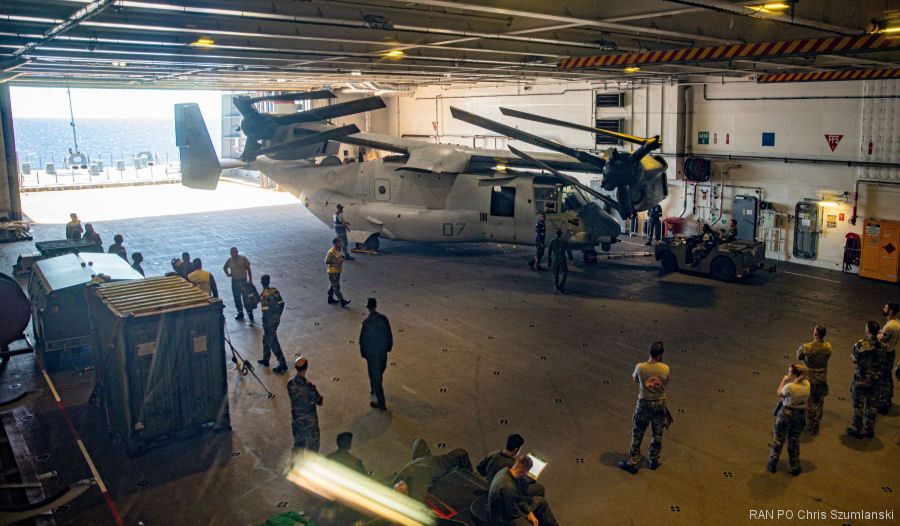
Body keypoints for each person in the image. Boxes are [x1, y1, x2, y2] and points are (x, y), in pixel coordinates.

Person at [618, 341, 670, 474]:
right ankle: (654, 460)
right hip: (659, 404)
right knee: (657, 434)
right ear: (660, 355)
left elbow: (635, 379)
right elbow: (665, 382)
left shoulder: (640, 367)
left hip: (644, 404)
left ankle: (633, 462)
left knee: (638, 433)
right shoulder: (665, 368)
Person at [394, 438, 472, 502]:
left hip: (419, 463)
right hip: (434, 465)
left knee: (418, 442)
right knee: (461, 453)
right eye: (400, 489)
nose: (399, 485)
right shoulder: (417, 490)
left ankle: (425, 457)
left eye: (396, 487)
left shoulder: (398, 481)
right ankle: (470, 478)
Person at [488, 455, 558, 526]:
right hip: (503, 518)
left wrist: (529, 511)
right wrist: (527, 516)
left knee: (541, 501)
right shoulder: (508, 488)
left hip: (510, 505)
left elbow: (519, 496)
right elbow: (512, 513)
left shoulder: (507, 470)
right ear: (524, 472)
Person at [767, 363, 810, 475]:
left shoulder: (790, 387)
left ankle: (773, 463)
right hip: (800, 414)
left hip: (786, 413)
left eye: (790, 372)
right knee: (794, 440)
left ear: (795, 375)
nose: (788, 373)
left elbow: (780, 394)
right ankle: (795, 466)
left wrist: (784, 381)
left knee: (778, 438)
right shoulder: (807, 384)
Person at [847, 321, 885, 438]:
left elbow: (854, 359)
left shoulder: (861, 345)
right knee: (872, 405)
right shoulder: (883, 346)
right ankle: (869, 429)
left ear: (868, 331)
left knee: (858, 405)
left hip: (861, 379)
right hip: (876, 380)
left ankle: (857, 428)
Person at [477, 434, 545, 497]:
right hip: (502, 491)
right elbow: (522, 486)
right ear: (516, 450)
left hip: (491, 485)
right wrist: (531, 480)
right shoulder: (512, 465)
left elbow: (479, 467)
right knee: (540, 489)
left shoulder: (492, 454)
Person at [796, 324, 832, 435]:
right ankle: (816, 424)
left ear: (815, 333)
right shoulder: (828, 347)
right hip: (822, 378)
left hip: (809, 379)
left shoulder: (807, 347)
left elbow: (799, 356)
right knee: (819, 402)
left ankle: (810, 425)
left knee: (809, 402)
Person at [360, 297, 392, 410]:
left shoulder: (366, 323)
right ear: (376, 306)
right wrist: (389, 347)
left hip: (372, 355)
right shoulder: (384, 319)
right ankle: (374, 387)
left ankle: (381, 403)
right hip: (382, 352)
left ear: (368, 308)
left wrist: (364, 354)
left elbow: (362, 340)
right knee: (380, 372)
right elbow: (389, 334)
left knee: (375, 376)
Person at [288, 356, 323, 451]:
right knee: (313, 447)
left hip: (296, 420)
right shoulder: (308, 386)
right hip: (309, 422)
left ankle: (295, 463)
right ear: (306, 368)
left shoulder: (290, 382)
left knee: (298, 444)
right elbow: (319, 401)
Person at [258, 274, 287, 374]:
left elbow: (265, 312)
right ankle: (266, 359)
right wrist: (278, 315)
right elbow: (282, 304)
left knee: (273, 342)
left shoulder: (263, 295)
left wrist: (265, 323)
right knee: (265, 340)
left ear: (262, 282)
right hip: (275, 320)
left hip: (268, 323)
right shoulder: (275, 291)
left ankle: (282, 364)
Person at [876, 301, 899, 414]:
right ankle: (888, 398)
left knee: (883, 378)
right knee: (888, 377)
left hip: (885, 353)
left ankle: (883, 402)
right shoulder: (896, 322)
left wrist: (877, 333)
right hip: (891, 351)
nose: (883, 309)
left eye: (885, 307)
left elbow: (881, 338)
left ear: (890, 311)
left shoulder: (889, 326)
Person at [223, 247, 254, 321]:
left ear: (237, 252)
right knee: (237, 297)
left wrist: (250, 279)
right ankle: (240, 312)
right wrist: (228, 274)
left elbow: (248, 269)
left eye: (234, 252)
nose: (233, 254)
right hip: (235, 281)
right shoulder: (229, 260)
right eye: (231, 253)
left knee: (246, 297)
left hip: (243, 280)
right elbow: (225, 267)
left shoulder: (243, 259)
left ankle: (250, 312)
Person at [547, 229, 574, 294]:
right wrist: (571, 259)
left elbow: (549, 252)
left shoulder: (552, 241)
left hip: (555, 258)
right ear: (561, 234)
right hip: (562, 258)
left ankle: (556, 286)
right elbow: (568, 251)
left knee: (555, 273)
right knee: (564, 273)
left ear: (556, 234)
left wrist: (549, 261)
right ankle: (561, 285)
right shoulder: (565, 242)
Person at [326, 238, 350, 307]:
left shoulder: (338, 250)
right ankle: (341, 300)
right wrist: (337, 261)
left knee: (333, 284)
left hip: (337, 271)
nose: (341, 243)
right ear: (336, 243)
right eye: (339, 242)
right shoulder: (331, 252)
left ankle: (330, 298)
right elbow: (326, 261)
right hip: (332, 271)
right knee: (336, 286)